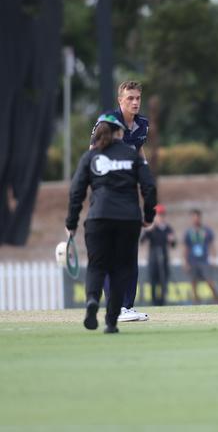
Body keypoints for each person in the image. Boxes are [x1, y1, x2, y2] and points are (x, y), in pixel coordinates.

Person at [66, 114, 157, 333]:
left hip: (98, 218)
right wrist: (148, 216)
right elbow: (149, 187)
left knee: (98, 266)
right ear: (119, 133)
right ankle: (111, 321)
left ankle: (91, 301)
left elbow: (76, 191)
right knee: (121, 269)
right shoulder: (132, 155)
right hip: (128, 219)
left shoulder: (90, 157)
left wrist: (71, 222)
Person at [90, 80, 150, 322]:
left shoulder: (142, 124)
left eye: (137, 98)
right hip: (106, 194)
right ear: (120, 100)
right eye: (130, 98)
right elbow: (92, 152)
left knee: (128, 251)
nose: (135, 102)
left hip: (128, 195)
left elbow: (139, 151)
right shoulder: (107, 121)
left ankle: (127, 305)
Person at [140, 204, 176, 306]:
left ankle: (162, 302)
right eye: (158, 215)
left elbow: (173, 244)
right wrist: (148, 230)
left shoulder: (167, 228)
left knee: (163, 282)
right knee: (153, 282)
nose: (160, 217)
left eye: (161, 215)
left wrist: (171, 240)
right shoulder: (152, 228)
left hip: (164, 258)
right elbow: (142, 241)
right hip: (153, 259)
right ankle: (154, 303)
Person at [183, 209, 218, 304]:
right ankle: (196, 301)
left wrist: (214, 258)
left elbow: (212, 245)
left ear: (200, 218)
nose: (195, 220)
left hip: (204, 261)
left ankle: (216, 298)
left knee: (209, 280)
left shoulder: (206, 231)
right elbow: (186, 248)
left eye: (197, 217)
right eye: (193, 218)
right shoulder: (189, 232)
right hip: (193, 261)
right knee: (194, 282)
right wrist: (185, 262)